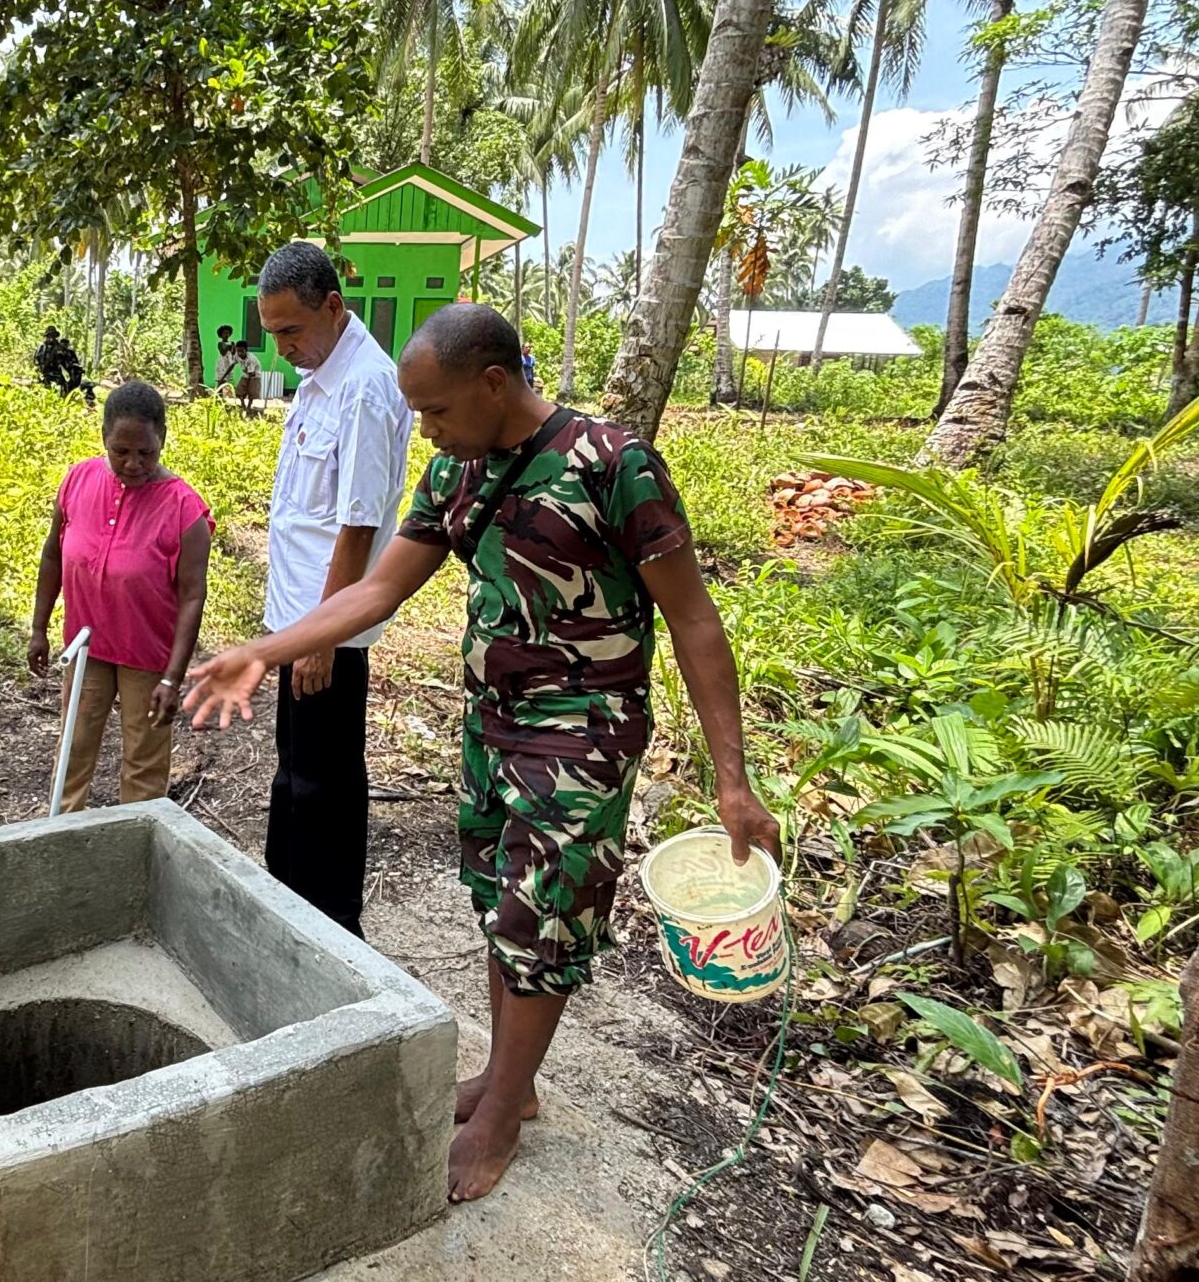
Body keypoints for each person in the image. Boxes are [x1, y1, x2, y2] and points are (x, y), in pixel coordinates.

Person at [185, 302, 778, 1206]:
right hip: (490, 724)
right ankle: (516, 1082)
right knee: (501, 908)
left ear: (494, 382)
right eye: (417, 414)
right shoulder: (457, 473)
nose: (426, 428)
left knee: (542, 918)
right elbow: (381, 586)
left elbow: (695, 621)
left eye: (436, 411)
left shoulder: (615, 466)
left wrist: (732, 783)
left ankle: (500, 1112)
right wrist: (264, 650)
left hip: (582, 731)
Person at [251, 241, 413, 936]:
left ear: (334, 308)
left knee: (326, 788)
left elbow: (357, 526)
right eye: (274, 332)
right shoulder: (320, 376)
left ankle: (332, 930)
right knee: (294, 778)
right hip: (300, 622)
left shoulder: (365, 387)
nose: (283, 347)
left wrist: (325, 634)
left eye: (292, 330)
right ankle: (285, 909)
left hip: (329, 631)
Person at [28, 381, 213, 812]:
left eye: (146, 453)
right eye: (121, 452)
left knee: (143, 762)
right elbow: (54, 553)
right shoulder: (78, 479)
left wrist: (172, 677)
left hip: (148, 656)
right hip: (87, 646)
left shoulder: (184, 510)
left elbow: (192, 597)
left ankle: (137, 842)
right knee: (74, 745)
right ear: (104, 440)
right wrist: (39, 627)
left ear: (162, 439)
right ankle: (58, 835)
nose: (133, 464)